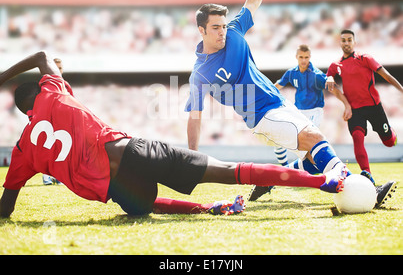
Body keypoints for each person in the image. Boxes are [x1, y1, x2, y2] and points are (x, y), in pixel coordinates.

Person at [0, 51, 349, 219]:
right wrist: (3, 76)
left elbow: (6, 207)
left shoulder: (22, 151)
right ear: (41, 88)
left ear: (22, 112)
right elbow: (43, 56)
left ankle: (207, 207)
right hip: (130, 151)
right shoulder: (54, 91)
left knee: (145, 205)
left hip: (117, 190)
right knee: (226, 171)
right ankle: (323, 182)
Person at [184, 0, 395, 206]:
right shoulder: (200, 73)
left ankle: (268, 179)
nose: (222, 31)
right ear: (201, 30)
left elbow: (252, 3)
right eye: (216, 27)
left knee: (312, 158)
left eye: (223, 25)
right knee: (314, 137)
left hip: (279, 104)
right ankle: (362, 190)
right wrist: (193, 157)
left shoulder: (234, 32)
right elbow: (194, 116)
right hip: (261, 116)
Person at [326, 29, 402, 189]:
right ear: (340, 43)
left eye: (349, 40)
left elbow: (386, 75)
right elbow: (330, 82)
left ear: (354, 42)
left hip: (374, 107)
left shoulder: (365, 58)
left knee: (389, 143)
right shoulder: (335, 65)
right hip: (355, 110)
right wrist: (344, 101)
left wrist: (401, 89)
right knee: (357, 137)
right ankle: (367, 174)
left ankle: (391, 135)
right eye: (343, 40)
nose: (346, 43)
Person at [273, 44, 352, 170]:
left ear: (310, 57)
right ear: (296, 57)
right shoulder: (292, 73)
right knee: (280, 141)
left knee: (308, 144)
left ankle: (333, 168)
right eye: (301, 57)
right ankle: (286, 169)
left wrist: (346, 105)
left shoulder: (316, 75)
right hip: (297, 111)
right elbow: (277, 85)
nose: (304, 60)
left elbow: (335, 90)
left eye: (306, 57)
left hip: (314, 111)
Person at [42, 58, 66, 186]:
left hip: (61, 120)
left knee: (60, 147)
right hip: (48, 120)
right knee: (48, 147)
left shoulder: (65, 84)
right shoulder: (45, 84)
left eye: (60, 68)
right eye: (56, 68)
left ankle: (58, 176)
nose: (58, 70)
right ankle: (46, 176)